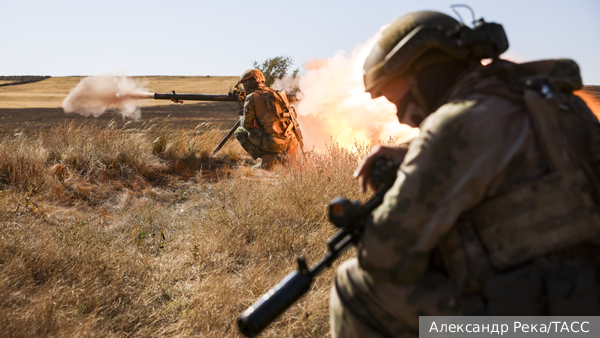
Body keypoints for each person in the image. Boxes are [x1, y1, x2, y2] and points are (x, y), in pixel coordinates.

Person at [330, 10, 600, 337]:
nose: (400, 116)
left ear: (423, 76)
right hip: (586, 305)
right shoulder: (552, 99)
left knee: (353, 284)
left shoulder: (452, 129)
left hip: (537, 322)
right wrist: (414, 151)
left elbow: (387, 258)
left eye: (395, 98)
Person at [234, 69, 302, 169]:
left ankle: (268, 159)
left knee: (240, 132)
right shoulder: (275, 93)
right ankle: (283, 159)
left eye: (244, 85)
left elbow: (247, 126)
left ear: (248, 84)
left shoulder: (252, 97)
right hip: (292, 141)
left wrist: (243, 115)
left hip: (275, 143)